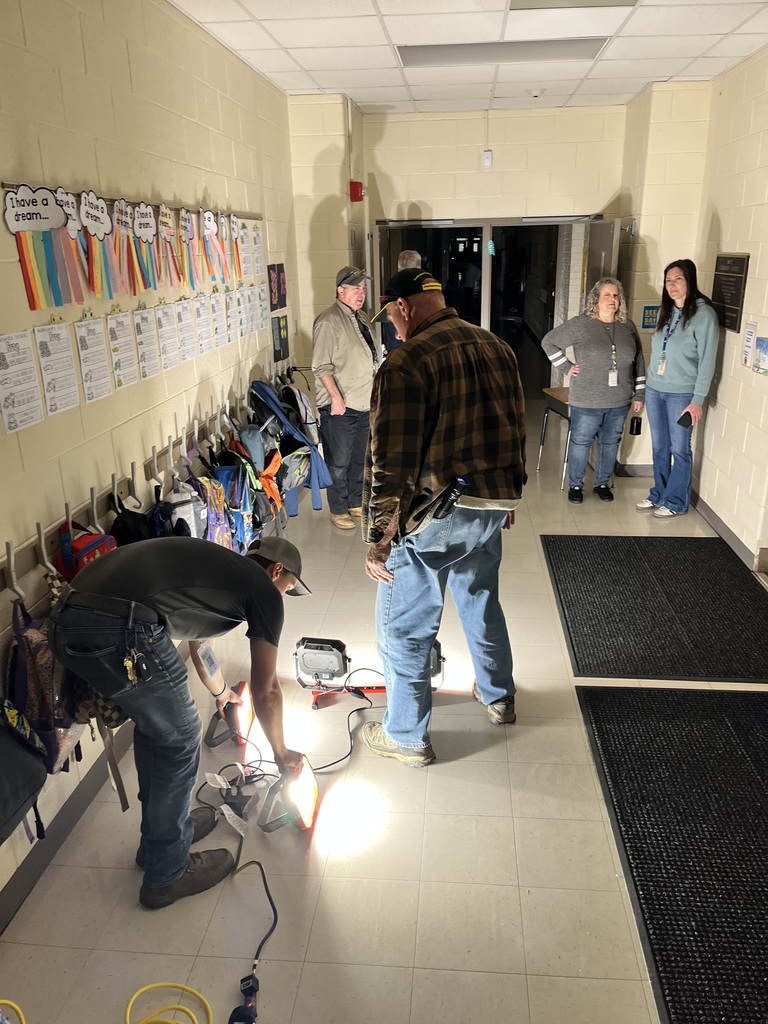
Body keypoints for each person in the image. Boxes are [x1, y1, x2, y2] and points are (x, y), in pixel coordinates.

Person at [48, 535, 309, 909]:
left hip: (67, 618)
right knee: (181, 735)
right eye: (287, 588)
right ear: (277, 570)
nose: (282, 596)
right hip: (115, 623)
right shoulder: (261, 588)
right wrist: (282, 752)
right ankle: (168, 872)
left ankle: (159, 840)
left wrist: (221, 694)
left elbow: (199, 645)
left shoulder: (218, 573)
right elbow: (267, 690)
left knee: (160, 726)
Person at [361, 268, 526, 767]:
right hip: (490, 508)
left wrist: (379, 535)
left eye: (390, 313)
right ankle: (498, 697)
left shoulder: (406, 363)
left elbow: (391, 459)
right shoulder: (498, 347)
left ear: (404, 306)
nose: (392, 324)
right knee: (480, 601)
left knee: (404, 627)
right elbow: (515, 427)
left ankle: (407, 737)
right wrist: (507, 498)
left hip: (436, 516)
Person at [542, 277, 646, 504]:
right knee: (581, 442)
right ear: (596, 299)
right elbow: (548, 342)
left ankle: (601, 483)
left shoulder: (627, 326)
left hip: (620, 399)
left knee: (610, 443)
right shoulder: (581, 324)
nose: (612, 299)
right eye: (607, 295)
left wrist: (639, 393)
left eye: (616, 295)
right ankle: (576, 485)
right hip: (587, 400)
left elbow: (638, 360)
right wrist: (567, 367)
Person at [638, 259, 719, 518]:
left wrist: (697, 400)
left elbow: (707, 362)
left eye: (678, 279)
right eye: (668, 280)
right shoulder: (668, 311)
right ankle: (659, 494)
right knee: (659, 445)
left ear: (690, 281)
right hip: (655, 390)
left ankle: (675, 501)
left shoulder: (704, 315)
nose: (671, 285)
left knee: (679, 448)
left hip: (682, 395)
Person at [312, 266, 377, 530]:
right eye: (355, 287)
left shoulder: (360, 317)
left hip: (364, 402)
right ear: (340, 290)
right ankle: (338, 509)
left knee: (359, 459)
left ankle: (354, 502)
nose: (361, 292)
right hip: (340, 406)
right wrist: (336, 398)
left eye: (363, 287)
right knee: (338, 462)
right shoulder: (329, 321)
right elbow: (321, 366)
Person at [381, 250, 422, 356]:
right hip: (414, 346)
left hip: (393, 347)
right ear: (418, 268)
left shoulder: (392, 286)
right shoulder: (421, 290)